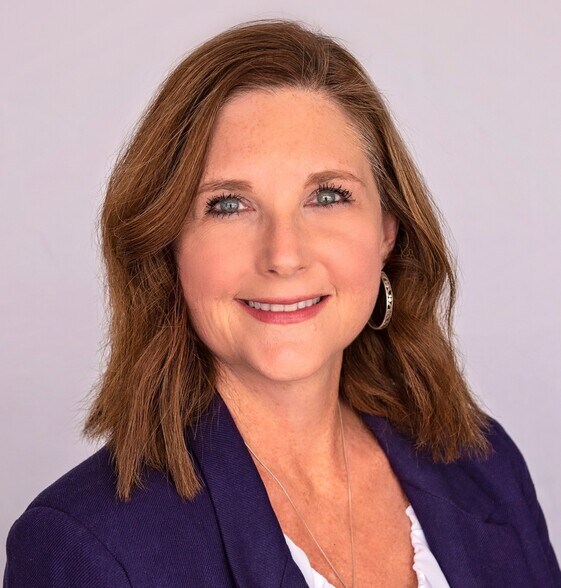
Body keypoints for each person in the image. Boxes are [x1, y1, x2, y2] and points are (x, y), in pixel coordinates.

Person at [3, 19, 560, 588]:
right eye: (228, 205)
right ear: (166, 245)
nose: (284, 255)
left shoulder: (483, 466)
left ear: (387, 231)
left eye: (327, 196)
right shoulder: (83, 547)